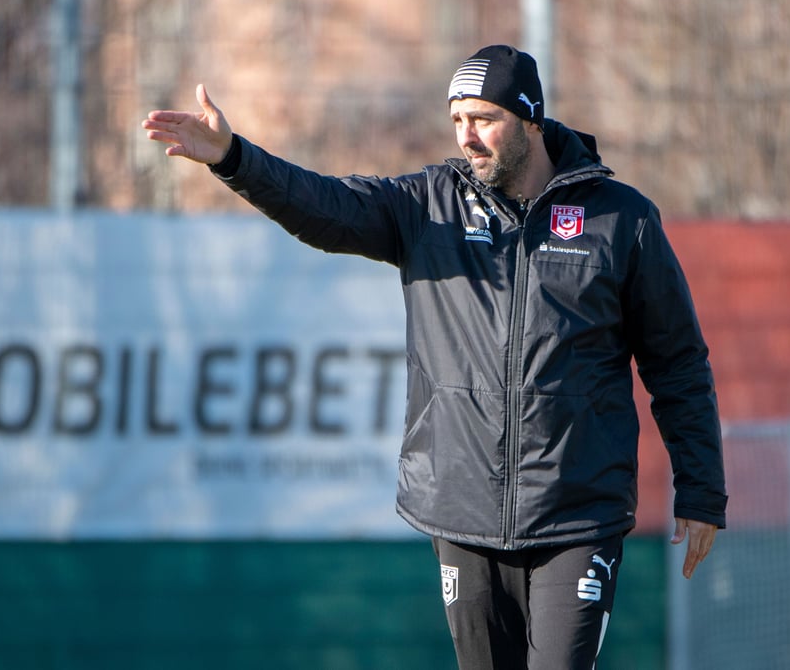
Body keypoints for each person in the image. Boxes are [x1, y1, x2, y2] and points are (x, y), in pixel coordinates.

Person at [143, 44, 727, 670]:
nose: (467, 137)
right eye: (457, 121)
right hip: (462, 508)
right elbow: (324, 206)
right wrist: (235, 160)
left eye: (484, 119)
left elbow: (678, 364)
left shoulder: (622, 219)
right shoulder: (429, 206)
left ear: (531, 119)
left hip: (577, 515)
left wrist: (701, 491)